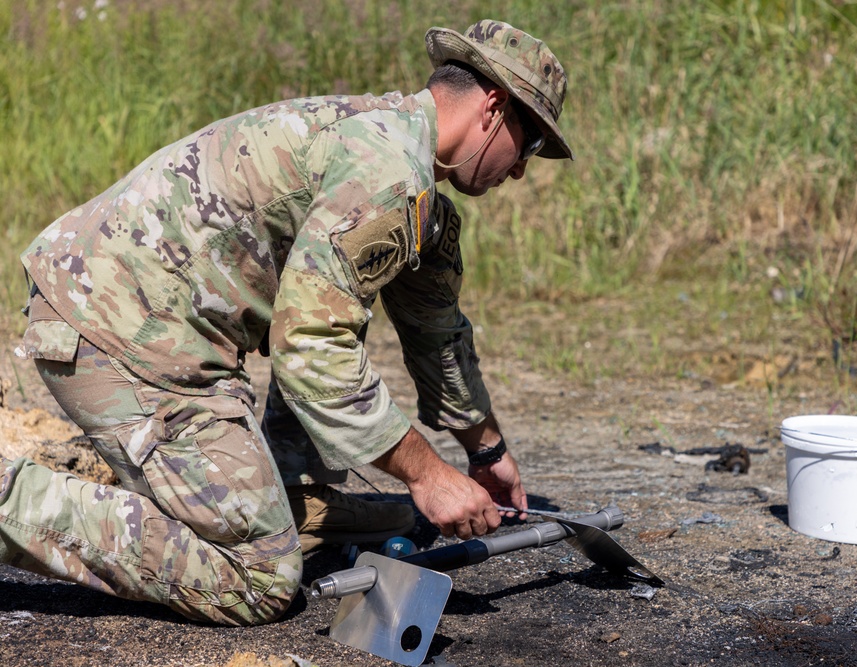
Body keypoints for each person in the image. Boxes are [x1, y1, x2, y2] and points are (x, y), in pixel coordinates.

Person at [0, 20, 574, 626]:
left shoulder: (402, 164)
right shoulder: (385, 174)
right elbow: (308, 347)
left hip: (152, 323)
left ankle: (276, 494)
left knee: (368, 518)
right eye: (530, 145)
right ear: (493, 106)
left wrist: (485, 450)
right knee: (262, 578)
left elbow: (436, 330)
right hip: (119, 333)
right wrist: (428, 475)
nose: (519, 173)